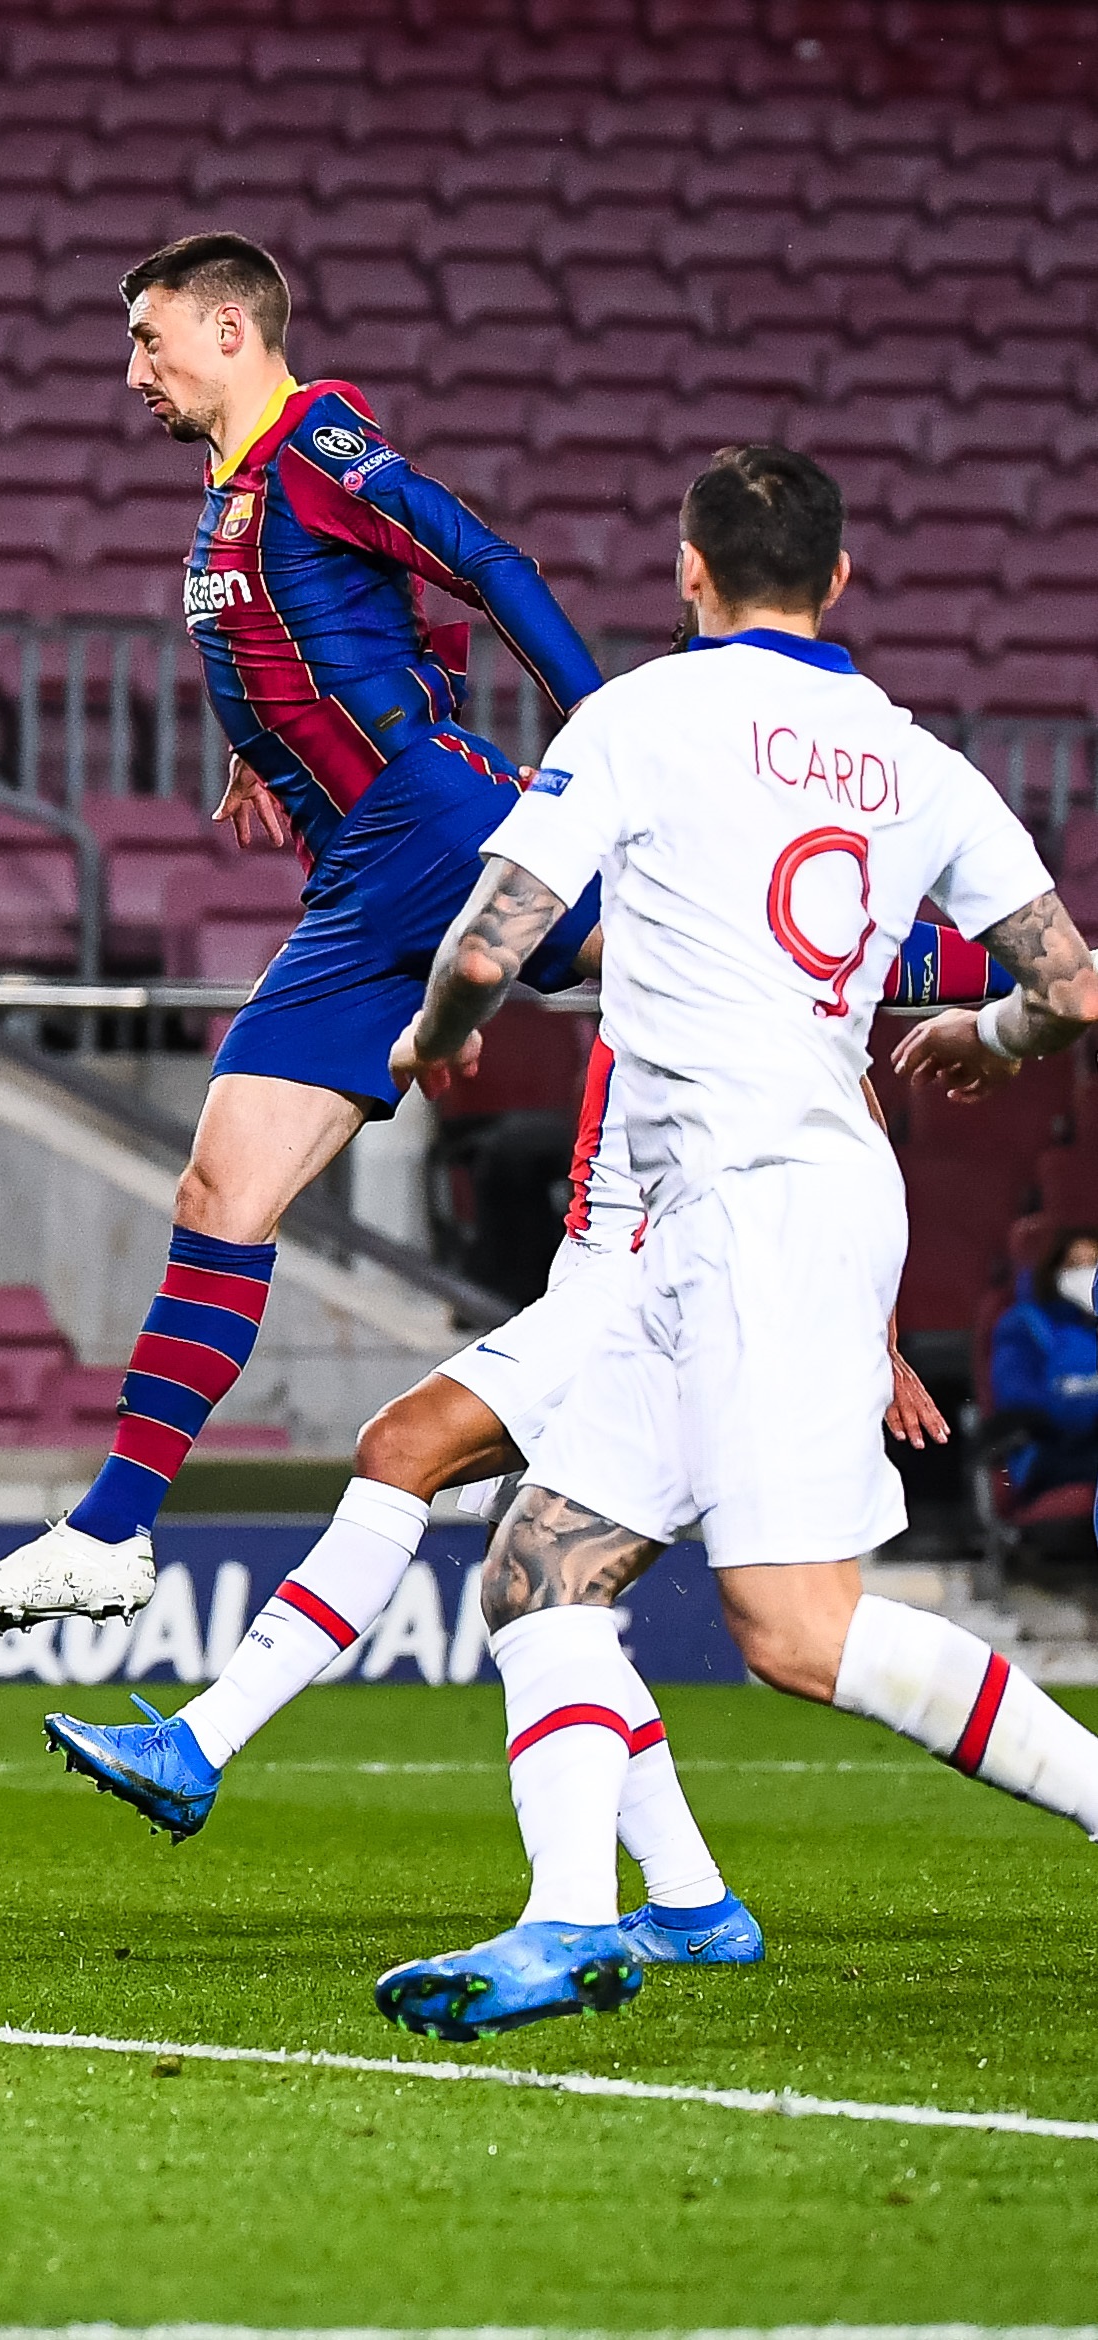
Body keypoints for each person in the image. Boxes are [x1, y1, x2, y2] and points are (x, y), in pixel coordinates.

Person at [367, 443, 1098, 2041]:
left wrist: (430, 1042)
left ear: (685, 570)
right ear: (837, 582)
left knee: (791, 1634)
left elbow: (490, 944)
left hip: (766, 1202)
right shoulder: (917, 763)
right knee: (540, 1571)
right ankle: (566, 1921)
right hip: (713, 1218)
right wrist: (990, 1032)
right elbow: (1072, 982)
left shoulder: (637, 717)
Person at [39, 928, 1003, 1968]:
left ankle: (203, 1743)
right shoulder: (696, 902)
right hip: (606, 1280)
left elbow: (874, 1061)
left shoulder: (733, 920)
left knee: (400, 1448)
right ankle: (692, 1903)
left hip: (641, 1288)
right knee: (547, 1595)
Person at [0, 232, 610, 1629]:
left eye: (149, 339)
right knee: (222, 1193)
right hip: (376, 865)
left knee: (739, 948)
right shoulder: (236, 488)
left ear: (230, 330)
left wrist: (609, 740)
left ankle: (114, 1528)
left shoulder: (318, 443)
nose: (133, 370)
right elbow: (377, 632)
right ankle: (110, 1534)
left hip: (422, 838)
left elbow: (482, 559)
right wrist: (273, 747)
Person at [985, 1228, 1098, 1513]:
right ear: (1054, 1270)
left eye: (1094, 1263)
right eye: (1075, 1264)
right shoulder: (1025, 1326)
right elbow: (1018, 1399)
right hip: (1050, 1447)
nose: (1087, 1272)